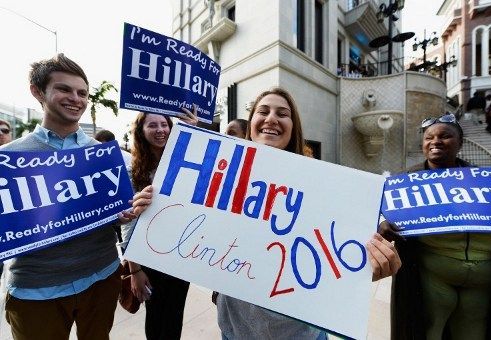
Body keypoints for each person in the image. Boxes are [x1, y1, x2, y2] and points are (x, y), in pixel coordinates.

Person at [131, 87, 402, 340]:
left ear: (293, 127)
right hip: (235, 327)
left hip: (299, 333)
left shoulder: (319, 183)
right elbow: (187, 225)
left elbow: (337, 253)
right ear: (251, 124)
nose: (271, 118)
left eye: (282, 114)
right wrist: (151, 208)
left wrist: (364, 269)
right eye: (263, 111)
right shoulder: (223, 174)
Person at [0, 53, 133, 340]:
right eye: (64, 89)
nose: (76, 99)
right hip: (36, 289)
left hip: (101, 276)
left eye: (82, 93)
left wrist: (126, 213)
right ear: (38, 92)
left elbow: (120, 217)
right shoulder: (7, 160)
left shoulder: (104, 155)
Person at [379, 113, 491, 340]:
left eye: (445, 136)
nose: (435, 141)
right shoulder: (406, 182)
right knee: (427, 330)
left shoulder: (485, 180)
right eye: (429, 137)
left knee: (473, 332)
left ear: (460, 144)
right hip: (434, 277)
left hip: (482, 280)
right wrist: (383, 225)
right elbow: (382, 218)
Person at [121, 108, 197, 340]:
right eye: (152, 125)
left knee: (174, 315)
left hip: (180, 254)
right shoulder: (132, 170)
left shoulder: (182, 162)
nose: (160, 130)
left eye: (164, 124)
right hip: (148, 258)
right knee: (155, 316)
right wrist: (135, 269)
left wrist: (192, 130)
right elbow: (128, 223)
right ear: (141, 132)